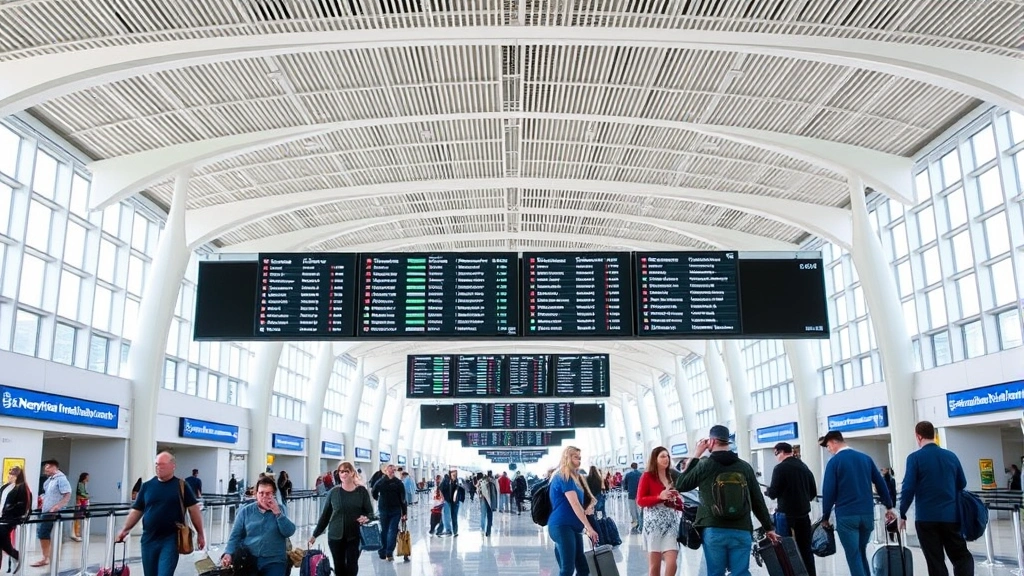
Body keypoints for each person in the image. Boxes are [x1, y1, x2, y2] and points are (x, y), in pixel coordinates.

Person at [675, 425, 778, 576]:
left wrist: (696, 454)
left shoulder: (705, 465)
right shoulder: (744, 467)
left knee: (716, 573)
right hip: (741, 528)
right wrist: (769, 528)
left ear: (711, 441)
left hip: (713, 529)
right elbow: (757, 500)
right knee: (741, 572)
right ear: (727, 442)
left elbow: (681, 484)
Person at [898, 421, 973, 576]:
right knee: (961, 556)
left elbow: (908, 488)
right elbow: (962, 483)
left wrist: (902, 513)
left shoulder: (914, 458)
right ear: (934, 435)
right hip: (951, 517)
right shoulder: (951, 456)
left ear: (918, 437)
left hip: (926, 518)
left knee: (935, 561)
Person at [819, 430, 895, 576]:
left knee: (853, 555)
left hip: (847, 517)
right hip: (867, 515)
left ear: (835, 442)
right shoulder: (865, 458)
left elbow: (829, 491)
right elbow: (880, 483)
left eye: (828, 446)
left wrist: (825, 516)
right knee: (861, 552)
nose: (828, 450)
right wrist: (889, 506)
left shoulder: (834, 462)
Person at [117, 452, 206, 576]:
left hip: (171, 539)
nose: (159, 467)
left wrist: (201, 533)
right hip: (149, 539)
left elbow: (194, 510)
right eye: (157, 464)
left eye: (163, 465)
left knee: (164, 573)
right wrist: (125, 530)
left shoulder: (181, 486)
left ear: (173, 466)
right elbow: (137, 510)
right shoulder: (147, 486)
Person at [309, 462, 374, 576]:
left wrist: (366, 518)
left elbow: (370, 513)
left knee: (352, 566)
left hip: (354, 535)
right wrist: (315, 534)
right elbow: (325, 515)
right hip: (335, 536)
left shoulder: (361, 492)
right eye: (341, 471)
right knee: (339, 567)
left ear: (352, 473)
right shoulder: (334, 492)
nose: (343, 474)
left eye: (346, 471)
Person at [222, 476, 296, 576]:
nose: (264, 496)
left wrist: (278, 514)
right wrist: (228, 553)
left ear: (273, 494)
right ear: (256, 494)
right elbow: (235, 536)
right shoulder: (246, 511)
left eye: (268, 493)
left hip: (275, 560)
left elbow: (289, 531)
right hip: (250, 560)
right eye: (261, 493)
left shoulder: (280, 509)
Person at [766, 442, 818, 576]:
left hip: (785, 515)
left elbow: (773, 493)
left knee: (786, 549)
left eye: (776, 454)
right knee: (806, 549)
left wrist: (768, 491)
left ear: (780, 452)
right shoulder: (804, 467)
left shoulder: (780, 468)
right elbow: (812, 492)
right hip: (803, 515)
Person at [548, 446, 599, 576]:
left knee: (583, 568)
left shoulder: (575, 477)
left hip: (573, 527)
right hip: (562, 526)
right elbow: (575, 504)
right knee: (567, 569)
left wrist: (588, 508)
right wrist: (589, 528)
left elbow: (582, 502)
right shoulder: (564, 476)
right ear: (567, 457)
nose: (579, 460)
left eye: (580, 458)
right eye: (576, 457)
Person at [637, 447, 682, 576]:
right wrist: (658, 497)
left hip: (671, 525)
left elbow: (677, 502)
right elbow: (640, 500)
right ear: (655, 459)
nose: (666, 459)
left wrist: (676, 499)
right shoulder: (647, 476)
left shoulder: (672, 475)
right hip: (653, 526)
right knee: (654, 567)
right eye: (662, 456)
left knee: (672, 563)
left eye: (667, 456)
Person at [30, 460, 71, 568]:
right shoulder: (50, 479)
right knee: (42, 532)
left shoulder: (61, 479)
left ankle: (46, 557)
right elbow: (47, 493)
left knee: (43, 532)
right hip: (46, 509)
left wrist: (57, 506)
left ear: (54, 467)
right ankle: (46, 556)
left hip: (52, 511)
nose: (45, 471)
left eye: (47, 468)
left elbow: (67, 494)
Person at [370, 464, 407, 561]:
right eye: (389, 470)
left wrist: (404, 512)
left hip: (396, 510)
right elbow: (373, 491)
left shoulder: (398, 483)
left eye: (393, 470)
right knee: (384, 531)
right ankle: (383, 550)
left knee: (393, 530)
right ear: (385, 471)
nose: (391, 471)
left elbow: (403, 498)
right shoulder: (381, 482)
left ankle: (389, 552)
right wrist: (377, 498)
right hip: (384, 510)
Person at [0, 467, 31, 573]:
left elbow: (22, 506)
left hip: (9, 519)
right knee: (4, 542)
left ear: (18, 476)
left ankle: (16, 555)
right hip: (2, 519)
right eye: (9, 474)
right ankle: (16, 555)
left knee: (2, 539)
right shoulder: (5, 487)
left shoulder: (22, 488)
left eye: (12, 475)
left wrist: (8, 511)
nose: (9, 476)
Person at [439, 469, 464, 536]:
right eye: (453, 474)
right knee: (447, 515)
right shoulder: (446, 480)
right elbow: (440, 489)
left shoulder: (457, 481)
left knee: (454, 516)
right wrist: (443, 498)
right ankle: (448, 530)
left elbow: (460, 489)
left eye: (455, 474)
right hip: (447, 500)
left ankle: (455, 531)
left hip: (455, 502)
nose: (454, 475)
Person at [622, 462, 643, 533]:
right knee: (639, 508)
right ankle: (640, 520)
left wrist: (626, 489)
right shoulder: (640, 474)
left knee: (632, 508)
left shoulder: (628, 475)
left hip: (631, 493)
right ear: (637, 467)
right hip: (639, 493)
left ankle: (635, 521)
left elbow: (625, 484)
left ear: (631, 467)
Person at [476, 472, 497, 537]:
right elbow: (496, 492)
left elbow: (478, 491)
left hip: (483, 499)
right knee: (490, 516)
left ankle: (482, 529)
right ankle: (488, 531)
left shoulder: (480, 481)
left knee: (483, 515)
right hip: (491, 500)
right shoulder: (493, 481)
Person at [71, 472, 90, 542]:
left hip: (83, 502)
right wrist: (86, 496)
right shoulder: (80, 484)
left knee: (80, 517)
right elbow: (81, 493)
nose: (88, 478)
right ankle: (76, 533)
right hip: (80, 502)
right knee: (77, 518)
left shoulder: (84, 484)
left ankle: (78, 533)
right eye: (87, 477)